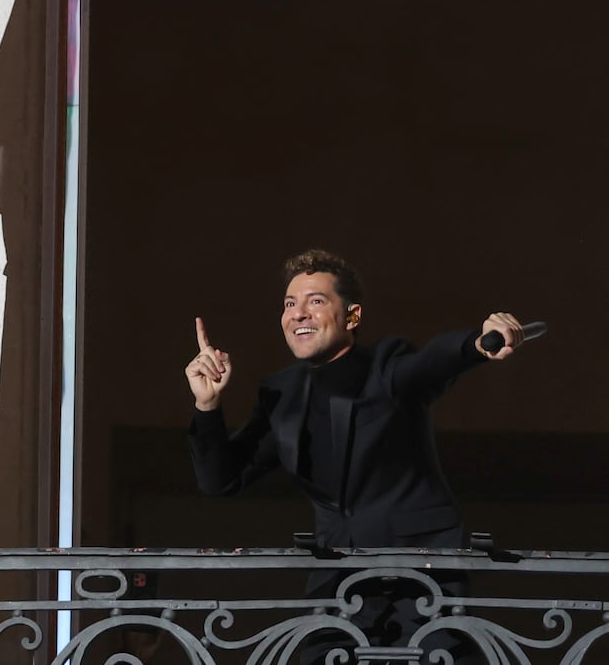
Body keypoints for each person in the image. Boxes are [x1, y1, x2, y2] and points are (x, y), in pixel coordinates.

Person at [184, 248, 525, 665]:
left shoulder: (386, 367)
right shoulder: (281, 393)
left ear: (353, 316)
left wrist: (477, 344)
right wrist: (208, 406)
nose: (299, 314)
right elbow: (222, 480)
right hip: (338, 585)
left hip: (421, 580)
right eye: (290, 304)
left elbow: (432, 362)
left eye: (316, 301)